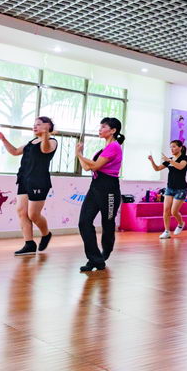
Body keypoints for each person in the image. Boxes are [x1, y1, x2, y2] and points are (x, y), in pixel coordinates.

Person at [0, 117, 57, 255]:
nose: (35, 127)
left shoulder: (52, 142)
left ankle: (46, 234)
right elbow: (15, 151)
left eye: (39, 124)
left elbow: (45, 150)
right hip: (24, 179)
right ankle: (29, 244)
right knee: (21, 212)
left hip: (39, 181)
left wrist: (46, 135)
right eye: (34, 125)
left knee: (33, 214)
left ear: (48, 126)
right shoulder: (31, 143)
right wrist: (3, 139)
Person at [76, 117, 124, 272]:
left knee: (108, 225)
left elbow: (95, 165)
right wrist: (79, 155)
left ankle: (103, 255)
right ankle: (95, 258)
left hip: (109, 188)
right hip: (95, 187)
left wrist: (81, 156)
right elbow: (87, 167)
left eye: (104, 126)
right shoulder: (102, 150)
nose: (100, 129)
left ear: (113, 130)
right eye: (100, 126)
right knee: (84, 222)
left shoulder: (115, 147)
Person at [148, 140, 187, 239]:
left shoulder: (184, 158)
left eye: (174, 146)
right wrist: (152, 161)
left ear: (180, 148)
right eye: (171, 147)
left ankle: (180, 223)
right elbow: (157, 168)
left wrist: (170, 160)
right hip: (170, 188)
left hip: (181, 189)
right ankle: (166, 231)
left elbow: (180, 167)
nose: (172, 149)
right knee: (166, 210)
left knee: (174, 212)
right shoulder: (169, 159)